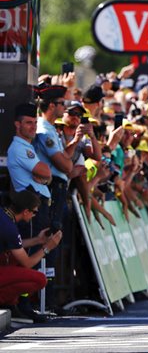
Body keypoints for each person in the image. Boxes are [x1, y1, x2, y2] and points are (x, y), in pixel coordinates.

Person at [31, 82, 73, 311]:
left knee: (55, 243)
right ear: (50, 105)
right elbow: (64, 165)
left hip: (56, 189)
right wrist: (69, 166)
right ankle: (41, 299)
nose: (64, 107)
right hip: (50, 190)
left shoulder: (53, 128)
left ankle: (50, 297)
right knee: (48, 240)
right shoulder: (44, 130)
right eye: (61, 103)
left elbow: (67, 161)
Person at [0, 189, 63, 323]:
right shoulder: (9, 227)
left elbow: (15, 245)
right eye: (34, 212)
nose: (35, 215)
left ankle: (11, 304)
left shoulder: (4, 216)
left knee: (11, 257)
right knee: (40, 279)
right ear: (25, 211)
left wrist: (38, 240)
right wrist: (47, 248)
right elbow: (27, 263)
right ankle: (6, 302)